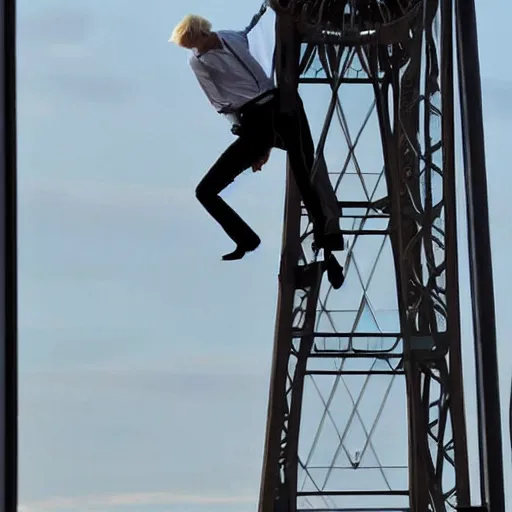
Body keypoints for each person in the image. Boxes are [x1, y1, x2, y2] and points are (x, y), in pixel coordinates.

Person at [169, 12, 343, 261]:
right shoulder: (199, 62)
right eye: (191, 47)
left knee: (306, 166)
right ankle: (247, 240)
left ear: (202, 33)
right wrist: (251, 139)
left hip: (283, 105)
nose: (195, 50)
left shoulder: (232, 38)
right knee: (205, 191)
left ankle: (327, 233)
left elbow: (257, 32)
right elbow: (219, 102)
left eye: (195, 44)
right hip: (255, 120)